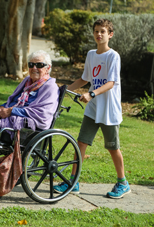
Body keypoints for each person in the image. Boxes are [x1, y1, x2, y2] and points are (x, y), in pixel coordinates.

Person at [53, 19, 131, 199]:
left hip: (109, 110)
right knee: (81, 143)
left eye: (103, 31)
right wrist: (65, 90)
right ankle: (73, 182)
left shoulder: (113, 56)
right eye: (96, 31)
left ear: (110, 34)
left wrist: (92, 94)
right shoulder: (91, 54)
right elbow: (85, 79)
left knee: (113, 148)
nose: (99, 34)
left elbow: (111, 83)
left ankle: (123, 183)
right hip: (93, 109)